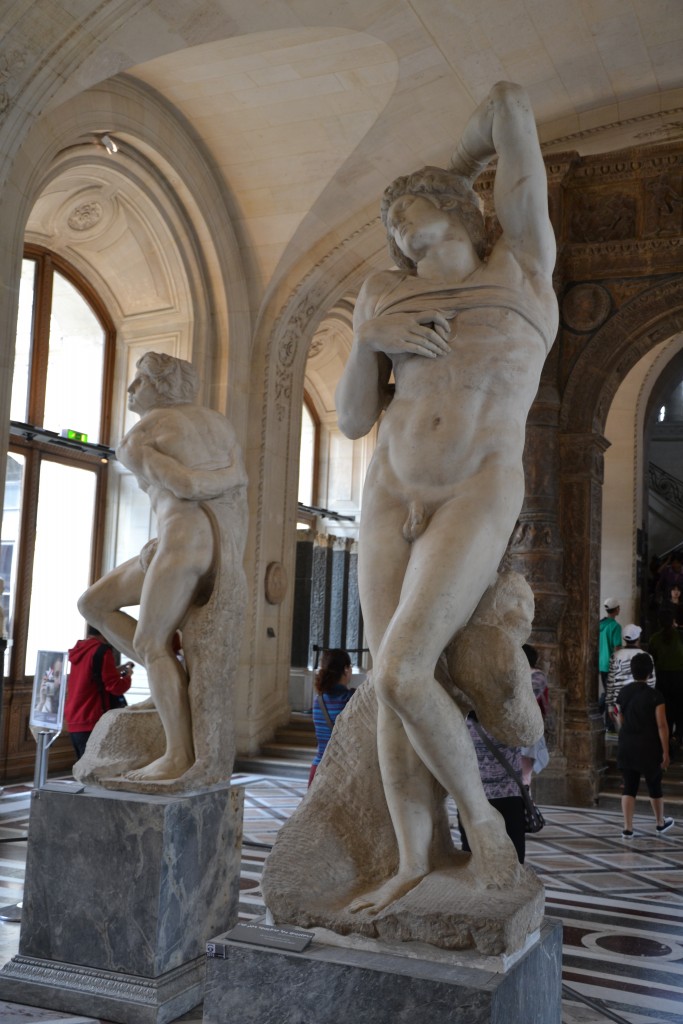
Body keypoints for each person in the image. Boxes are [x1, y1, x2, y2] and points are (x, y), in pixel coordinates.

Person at [335, 81, 558, 913]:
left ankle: (485, 829)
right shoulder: (379, 295)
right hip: (390, 487)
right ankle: (414, 858)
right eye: (392, 227)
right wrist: (366, 340)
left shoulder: (522, 266)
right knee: (383, 685)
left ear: (465, 210)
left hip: (476, 481)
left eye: (413, 216)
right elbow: (355, 415)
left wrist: (446, 172)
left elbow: (511, 104)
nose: (397, 232)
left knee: (403, 667)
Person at [78, 351, 248, 783]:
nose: (133, 389)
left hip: (184, 540)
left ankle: (177, 754)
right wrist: (233, 475)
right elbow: (234, 492)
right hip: (213, 545)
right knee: (95, 603)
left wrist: (220, 481)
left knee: (151, 643)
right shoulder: (219, 424)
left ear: (162, 386)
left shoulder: (140, 435)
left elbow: (185, 485)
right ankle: (169, 681)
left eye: (140, 381)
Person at [616, 652, 673, 839]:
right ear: (650, 672)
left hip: (627, 744)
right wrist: (666, 751)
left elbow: (620, 718)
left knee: (629, 786)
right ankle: (659, 823)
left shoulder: (623, 692)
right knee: (654, 785)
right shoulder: (655, 696)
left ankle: (627, 828)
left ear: (631, 671)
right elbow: (662, 725)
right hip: (649, 746)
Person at [459, 715, 526, 864]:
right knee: (513, 857)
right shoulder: (509, 718)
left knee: (473, 855)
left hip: (471, 795)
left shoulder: (460, 721)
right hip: (507, 794)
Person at [65, 626, 132, 760]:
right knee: (95, 769)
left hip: (75, 717)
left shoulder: (80, 649)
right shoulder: (102, 651)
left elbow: (91, 676)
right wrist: (128, 676)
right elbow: (115, 687)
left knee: (84, 768)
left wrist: (115, 670)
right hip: (92, 716)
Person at [309, 648, 354, 787]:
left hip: (317, 770)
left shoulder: (318, 700)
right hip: (340, 771)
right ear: (346, 669)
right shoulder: (351, 699)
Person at [606, 624, 656, 727]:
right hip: (642, 703)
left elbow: (610, 682)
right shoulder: (647, 656)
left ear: (624, 638)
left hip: (618, 704)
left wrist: (610, 706)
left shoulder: (615, 656)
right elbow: (651, 682)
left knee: (623, 734)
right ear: (638, 638)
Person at [648, 610, 683, 753]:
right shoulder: (680, 636)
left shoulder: (654, 638)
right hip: (680, 677)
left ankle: (666, 742)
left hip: (662, 678)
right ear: (673, 621)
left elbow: (652, 660)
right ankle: (678, 737)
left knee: (665, 710)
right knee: (680, 709)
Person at [520, 643, 550, 787]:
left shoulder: (537, 676)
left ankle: (524, 804)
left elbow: (527, 698)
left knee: (524, 775)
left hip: (528, 728)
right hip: (513, 729)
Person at [599, 598, 622, 689]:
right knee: (611, 693)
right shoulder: (616, 626)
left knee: (606, 690)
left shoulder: (600, 624)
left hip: (601, 663)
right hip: (610, 665)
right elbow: (617, 648)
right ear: (616, 609)